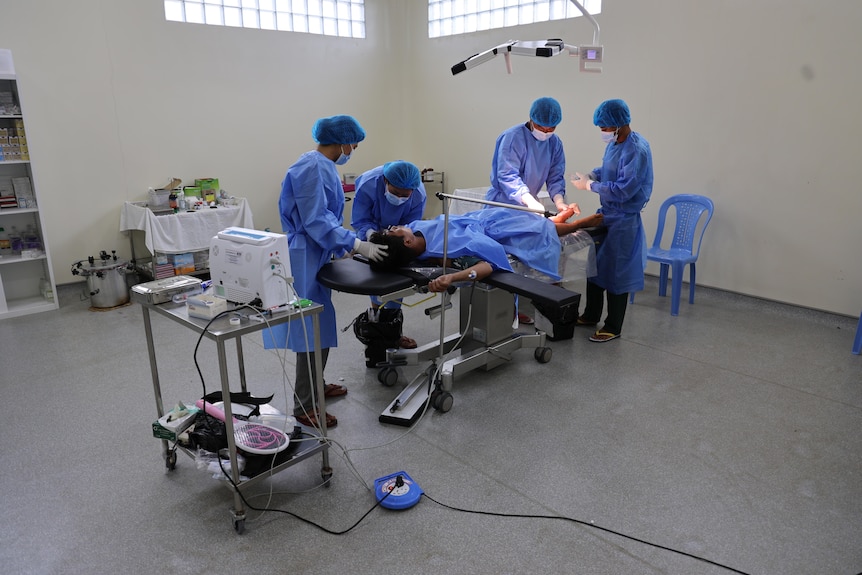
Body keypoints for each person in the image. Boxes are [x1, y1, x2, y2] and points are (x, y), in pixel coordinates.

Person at [263, 114, 388, 429]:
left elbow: (324, 217)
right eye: (353, 145)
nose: (353, 150)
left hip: (317, 252)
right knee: (310, 331)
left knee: (320, 324)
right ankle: (304, 405)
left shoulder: (322, 167)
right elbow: (316, 220)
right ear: (342, 141)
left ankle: (315, 385)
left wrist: (342, 246)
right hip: (304, 255)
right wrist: (355, 244)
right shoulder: (312, 167)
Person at [570, 99, 654, 342]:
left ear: (619, 124)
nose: (603, 132)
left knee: (617, 273)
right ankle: (590, 314)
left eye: (605, 128)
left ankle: (613, 326)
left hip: (624, 219)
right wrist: (592, 174)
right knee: (595, 267)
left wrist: (590, 185)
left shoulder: (636, 149)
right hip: (607, 215)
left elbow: (624, 189)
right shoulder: (617, 143)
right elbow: (609, 168)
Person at [368, 207, 602, 293]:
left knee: (522, 217)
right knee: (531, 230)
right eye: (393, 230)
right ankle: (574, 226)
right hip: (488, 233)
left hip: (479, 218)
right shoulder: (447, 254)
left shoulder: (413, 229)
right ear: (406, 243)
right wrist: (452, 277)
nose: (395, 227)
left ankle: (556, 220)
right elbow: (484, 266)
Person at [351, 161, 427, 349]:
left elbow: (411, 228)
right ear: (385, 181)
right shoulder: (368, 184)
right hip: (374, 232)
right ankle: (378, 327)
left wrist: (398, 241)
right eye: (395, 193)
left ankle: (392, 331)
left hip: (397, 240)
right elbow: (361, 220)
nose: (400, 198)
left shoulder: (418, 194)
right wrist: (371, 236)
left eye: (404, 195)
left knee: (395, 284)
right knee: (377, 280)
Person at [485, 97, 580, 216]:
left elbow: (555, 177)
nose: (545, 132)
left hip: (527, 207)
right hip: (502, 205)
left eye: (551, 128)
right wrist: (529, 200)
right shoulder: (513, 138)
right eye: (540, 127)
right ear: (531, 119)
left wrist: (559, 201)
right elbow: (507, 175)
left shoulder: (554, 143)